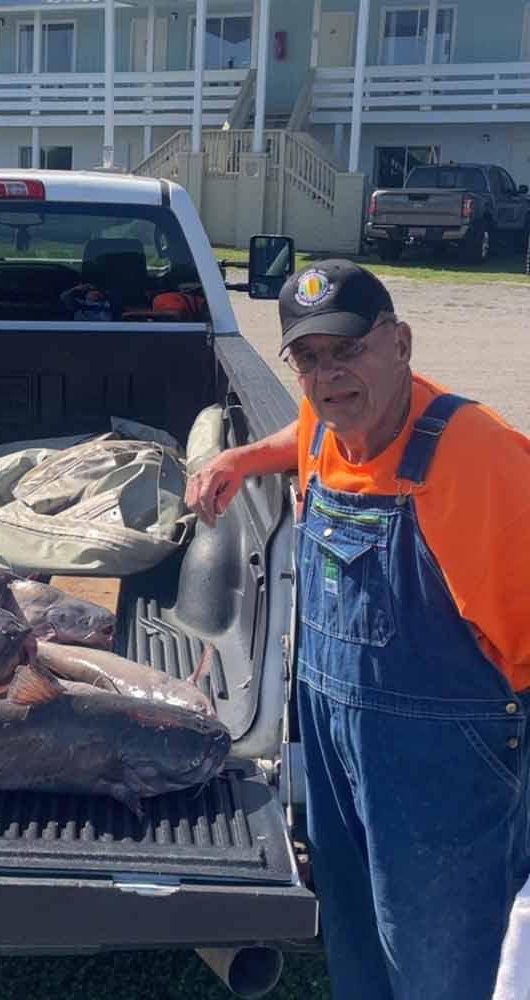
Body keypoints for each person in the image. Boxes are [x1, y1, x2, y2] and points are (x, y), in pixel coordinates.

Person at [186, 259, 530, 999]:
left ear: (400, 343)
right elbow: (305, 428)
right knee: (357, 935)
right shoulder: (326, 423)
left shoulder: (478, 458)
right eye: (308, 358)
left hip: (441, 771)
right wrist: (242, 458)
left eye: (349, 349)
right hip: (336, 744)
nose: (328, 375)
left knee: (440, 962)